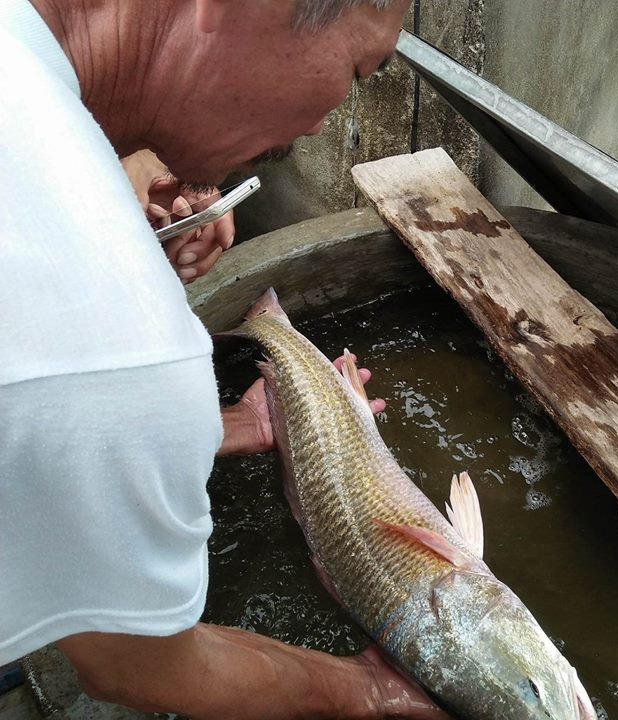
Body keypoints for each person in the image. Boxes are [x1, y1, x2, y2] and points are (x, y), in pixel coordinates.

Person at [0, 0, 448, 717]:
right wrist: (372, 693)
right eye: (359, 72)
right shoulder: (120, 341)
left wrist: (133, 157)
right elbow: (136, 667)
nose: (321, 125)